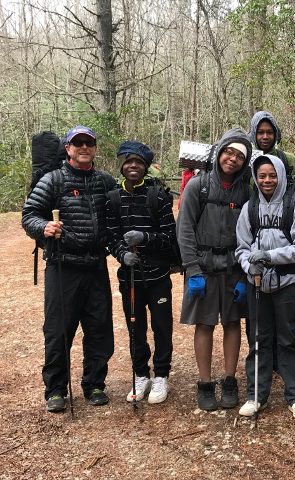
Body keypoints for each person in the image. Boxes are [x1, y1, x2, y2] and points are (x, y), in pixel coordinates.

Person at [22, 125, 116, 412]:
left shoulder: (105, 181)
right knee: (58, 330)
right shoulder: (53, 180)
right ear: (68, 149)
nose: (84, 147)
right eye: (78, 143)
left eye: (89, 143)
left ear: (95, 148)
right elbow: (29, 214)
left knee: (99, 327)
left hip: (96, 264)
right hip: (63, 266)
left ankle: (95, 384)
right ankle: (55, 389)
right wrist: (44, 226)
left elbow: (120, 212)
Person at [177, 129, 253, 411]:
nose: (232, 159)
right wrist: (192, 269)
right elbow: (184, 229)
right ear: (219, 152)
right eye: (228, 152)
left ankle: (230, 380)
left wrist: (245, 274)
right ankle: (205, 383)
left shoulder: (246, 191)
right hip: (204, 267)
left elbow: (252, 233)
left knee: (233, 322)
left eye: (239, 156)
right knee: (205, 323)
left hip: (234, 268)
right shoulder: (198, 186)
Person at [235, 154, 295, 421]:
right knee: (258, 338)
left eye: (272, 175)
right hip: (256, 283)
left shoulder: (294, 206)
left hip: (287, 283)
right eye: (262, 176)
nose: (267, 180)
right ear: (255, 178)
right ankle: (255, 395)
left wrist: (270, 257)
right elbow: (241, 248)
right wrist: (250, 266)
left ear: (280, 175)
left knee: (288, 339)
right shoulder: (250, 208)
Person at [106, 140, 177, 404]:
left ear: (146, 167)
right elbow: (111, 236)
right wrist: (122, 254)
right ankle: (140, 373)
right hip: (130, 277)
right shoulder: (113, 198)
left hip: (158, 275)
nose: (133, 166)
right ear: (122, 166)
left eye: (138, 162)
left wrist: (145, 238)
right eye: (129, 162)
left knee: (161, 327)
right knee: (135, 327)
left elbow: (170, 236)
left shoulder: (158, 196)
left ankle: (161, 375)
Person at [248, 111, 295, 198]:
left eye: (269, 132)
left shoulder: (288, 159)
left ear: (275, 134)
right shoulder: (246, 160)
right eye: (260, 132)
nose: (265, 137)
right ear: (254, 134)